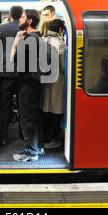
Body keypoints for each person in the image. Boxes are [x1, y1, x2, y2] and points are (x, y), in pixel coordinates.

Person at [10, 9, 44, 162]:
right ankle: (38, 147)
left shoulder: (28, 40)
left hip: (27, 84)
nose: (19, 20)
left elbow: (14, 62)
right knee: (34, 117)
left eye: (22, 17)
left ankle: (31, 152)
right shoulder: (38, 37)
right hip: (35, 83)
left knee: (27, 118)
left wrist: (16, 44)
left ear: (29, 21)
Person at [0, 5, 23, 147]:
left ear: (10, 15)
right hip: (23, 70)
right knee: (22, 103)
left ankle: (3, 136)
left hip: (6, 70)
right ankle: (23, 134)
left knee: (5, 104)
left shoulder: (4, 27)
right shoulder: (25, 27)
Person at [40, 19, 67, 149]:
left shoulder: (42, 41)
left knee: (45, 110)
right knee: (56, 111)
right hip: (57, 83)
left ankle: (42, 138)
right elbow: (63, 66)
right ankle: (49, 140)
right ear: (60, 30)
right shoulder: (61, 44)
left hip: (43, 82)